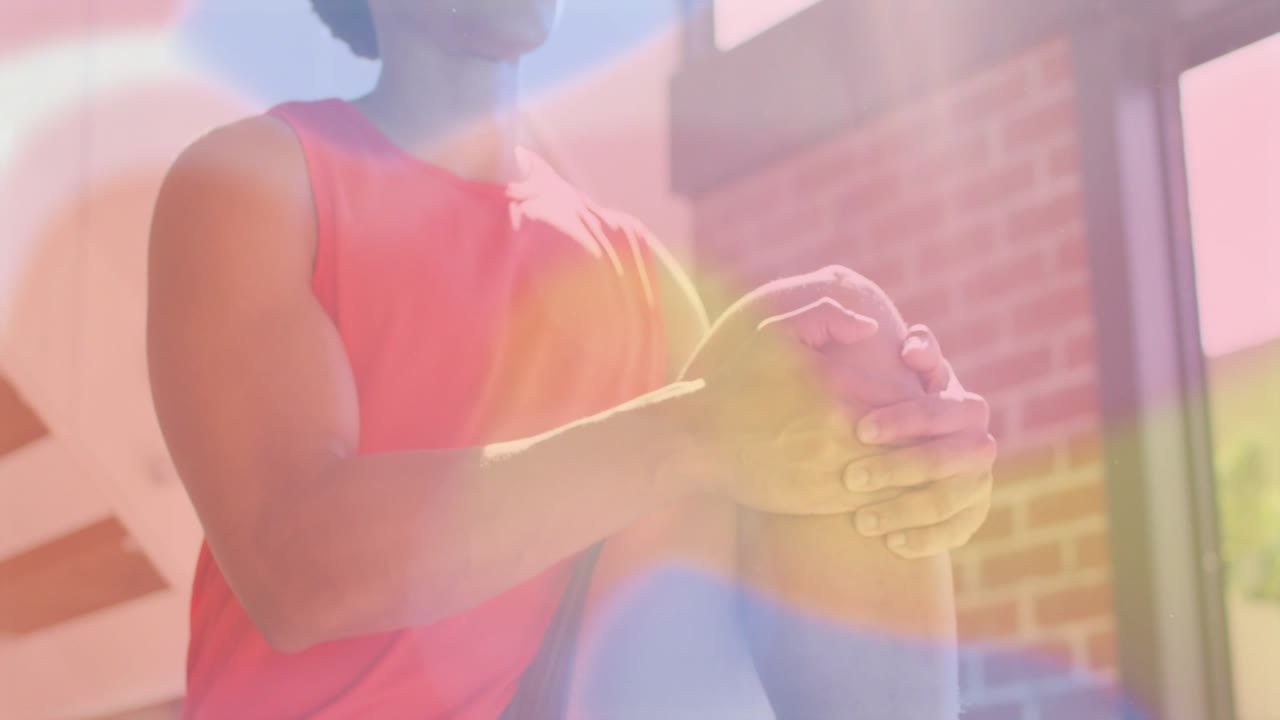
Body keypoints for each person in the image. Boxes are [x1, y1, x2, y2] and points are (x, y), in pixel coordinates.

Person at [145, 1, 996, 718]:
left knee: (841, 342)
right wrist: (693, 432)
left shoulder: (640, 273)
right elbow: (295, 572)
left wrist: (910, 468)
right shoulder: (255, 178)